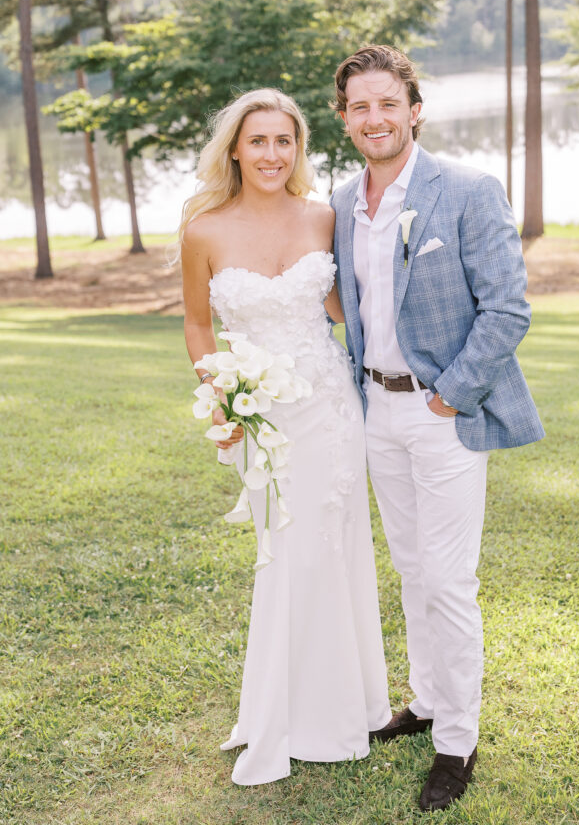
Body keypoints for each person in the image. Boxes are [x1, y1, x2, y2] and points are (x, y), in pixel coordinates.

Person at [330, 45, 544, 813]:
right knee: (412, 569)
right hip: (374, 412)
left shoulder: (466, 190)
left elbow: (507, 310)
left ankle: (456, 740)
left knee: (449, 580)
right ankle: (422, 703)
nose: (375, 117)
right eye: (359, 106)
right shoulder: (339, 202)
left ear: (414, 109)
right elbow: (345, 307)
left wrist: (448, 397)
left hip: (441, 413)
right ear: (344, 118)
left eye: (388, 102)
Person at [180, 88, 390, 786]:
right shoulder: (203, 229)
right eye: (258, 141)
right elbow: (197, 324)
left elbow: (343, 307)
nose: (272, 154)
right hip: (260, 418)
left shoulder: (324, 217)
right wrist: (221, 396)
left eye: (284, 141)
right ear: (235, 149)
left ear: (297, 149)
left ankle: (345, 707)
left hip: (329, 409)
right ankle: (281, 711)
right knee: (286, 554)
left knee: (333, 547)